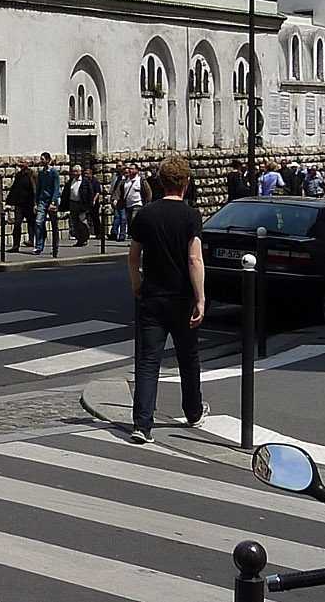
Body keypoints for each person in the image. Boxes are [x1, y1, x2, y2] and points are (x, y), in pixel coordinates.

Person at [127, 153, 206, 444]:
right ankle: (193, 410)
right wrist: (200, 298)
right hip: (182, 297)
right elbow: (194, 260)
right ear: (185, 183)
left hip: (152, 296)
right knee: (188, 357)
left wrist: (137, 284)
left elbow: (133, 257)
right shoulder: (190, 215)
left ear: (160, 183)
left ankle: (142, 424)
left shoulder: (145, 214)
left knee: (148, 361)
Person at [33, 152, 61, 254]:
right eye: (41, 159)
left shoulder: (54, 172)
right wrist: (36, 202)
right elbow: (38, 188)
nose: (41, 161)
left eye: (43, 159)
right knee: (38, 222)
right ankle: (39, 246)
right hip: (42, 200)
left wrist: (53, 202)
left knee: (54, 225)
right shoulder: (41, 173)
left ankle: (55, 247)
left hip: (51, 201)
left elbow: (56, 188)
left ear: (48, 160)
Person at [8, 164, 36, 252]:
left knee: (31, 223)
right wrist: (9, 201)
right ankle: (15, 246)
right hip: (19, 204)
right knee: (17, 224)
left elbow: (35, 189)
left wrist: (36, 203)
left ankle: (32, 240)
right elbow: (14, 188)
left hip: (29, 203)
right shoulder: (18, 175)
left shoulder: (32, 175)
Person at [64, 165, 90, 246]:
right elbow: (66, 192)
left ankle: (85, 238)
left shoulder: (85, 181)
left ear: (80, 172)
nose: (74, 173)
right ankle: (79, 239)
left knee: (82, 222)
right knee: (75, 222)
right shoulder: (71, 181)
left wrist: (88, 205)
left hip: (81, 204)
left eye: (76, 171)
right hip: (73, 203)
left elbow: (90, 193)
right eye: (73, 171)